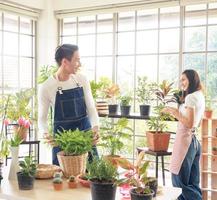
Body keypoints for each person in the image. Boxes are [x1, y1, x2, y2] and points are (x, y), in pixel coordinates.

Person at [38, 44, 99, 165]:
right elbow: (41, 119)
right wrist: (45, 132)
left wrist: (96, 127)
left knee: (92, 175)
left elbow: (91, 107)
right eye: (77, 60)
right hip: (62, 141)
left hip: (85, 137)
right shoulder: (47, 87)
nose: (80, 64)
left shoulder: (82, 79)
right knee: (63, 178)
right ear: (65, 62)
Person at [162, 69, 205, 200]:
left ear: (191, 80)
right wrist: (177, 111)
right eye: (181, 80)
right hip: (194, 142)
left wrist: (174, 112)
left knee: (178, 183)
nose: (181, 83)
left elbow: (189, 123)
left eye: (184, 79)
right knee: (192, 182)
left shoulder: (190, 97)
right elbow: (195, 120)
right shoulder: (199, 95)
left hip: (185, 141)